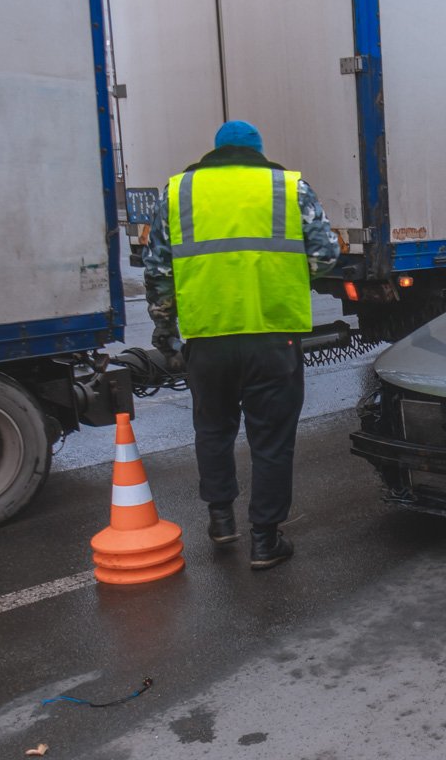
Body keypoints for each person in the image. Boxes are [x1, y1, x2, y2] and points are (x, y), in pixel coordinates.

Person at [144, 120, 339, 568]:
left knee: (213, 431)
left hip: (207, 336)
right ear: (257, 151)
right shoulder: (289, 187)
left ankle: (220, 519)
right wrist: (285, 276)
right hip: (273, 335)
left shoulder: (178, 192)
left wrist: (165, 331)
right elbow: (326, 256)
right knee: (271, 440)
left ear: (216, 152)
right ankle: (266, 541)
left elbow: (158, 272)